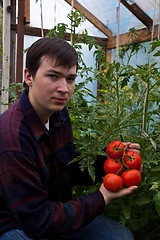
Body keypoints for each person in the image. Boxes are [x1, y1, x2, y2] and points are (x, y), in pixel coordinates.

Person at [0, 37, 141, 240]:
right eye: (53, 76)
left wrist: (116, 163)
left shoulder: (58, 114)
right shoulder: (12, 138)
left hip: (52, 211)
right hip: (17, 223)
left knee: (120, 237)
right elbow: (36, 221)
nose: (64, 88)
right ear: (28, 77)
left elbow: (67, 164)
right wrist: (102, 197)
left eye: (70, 79)